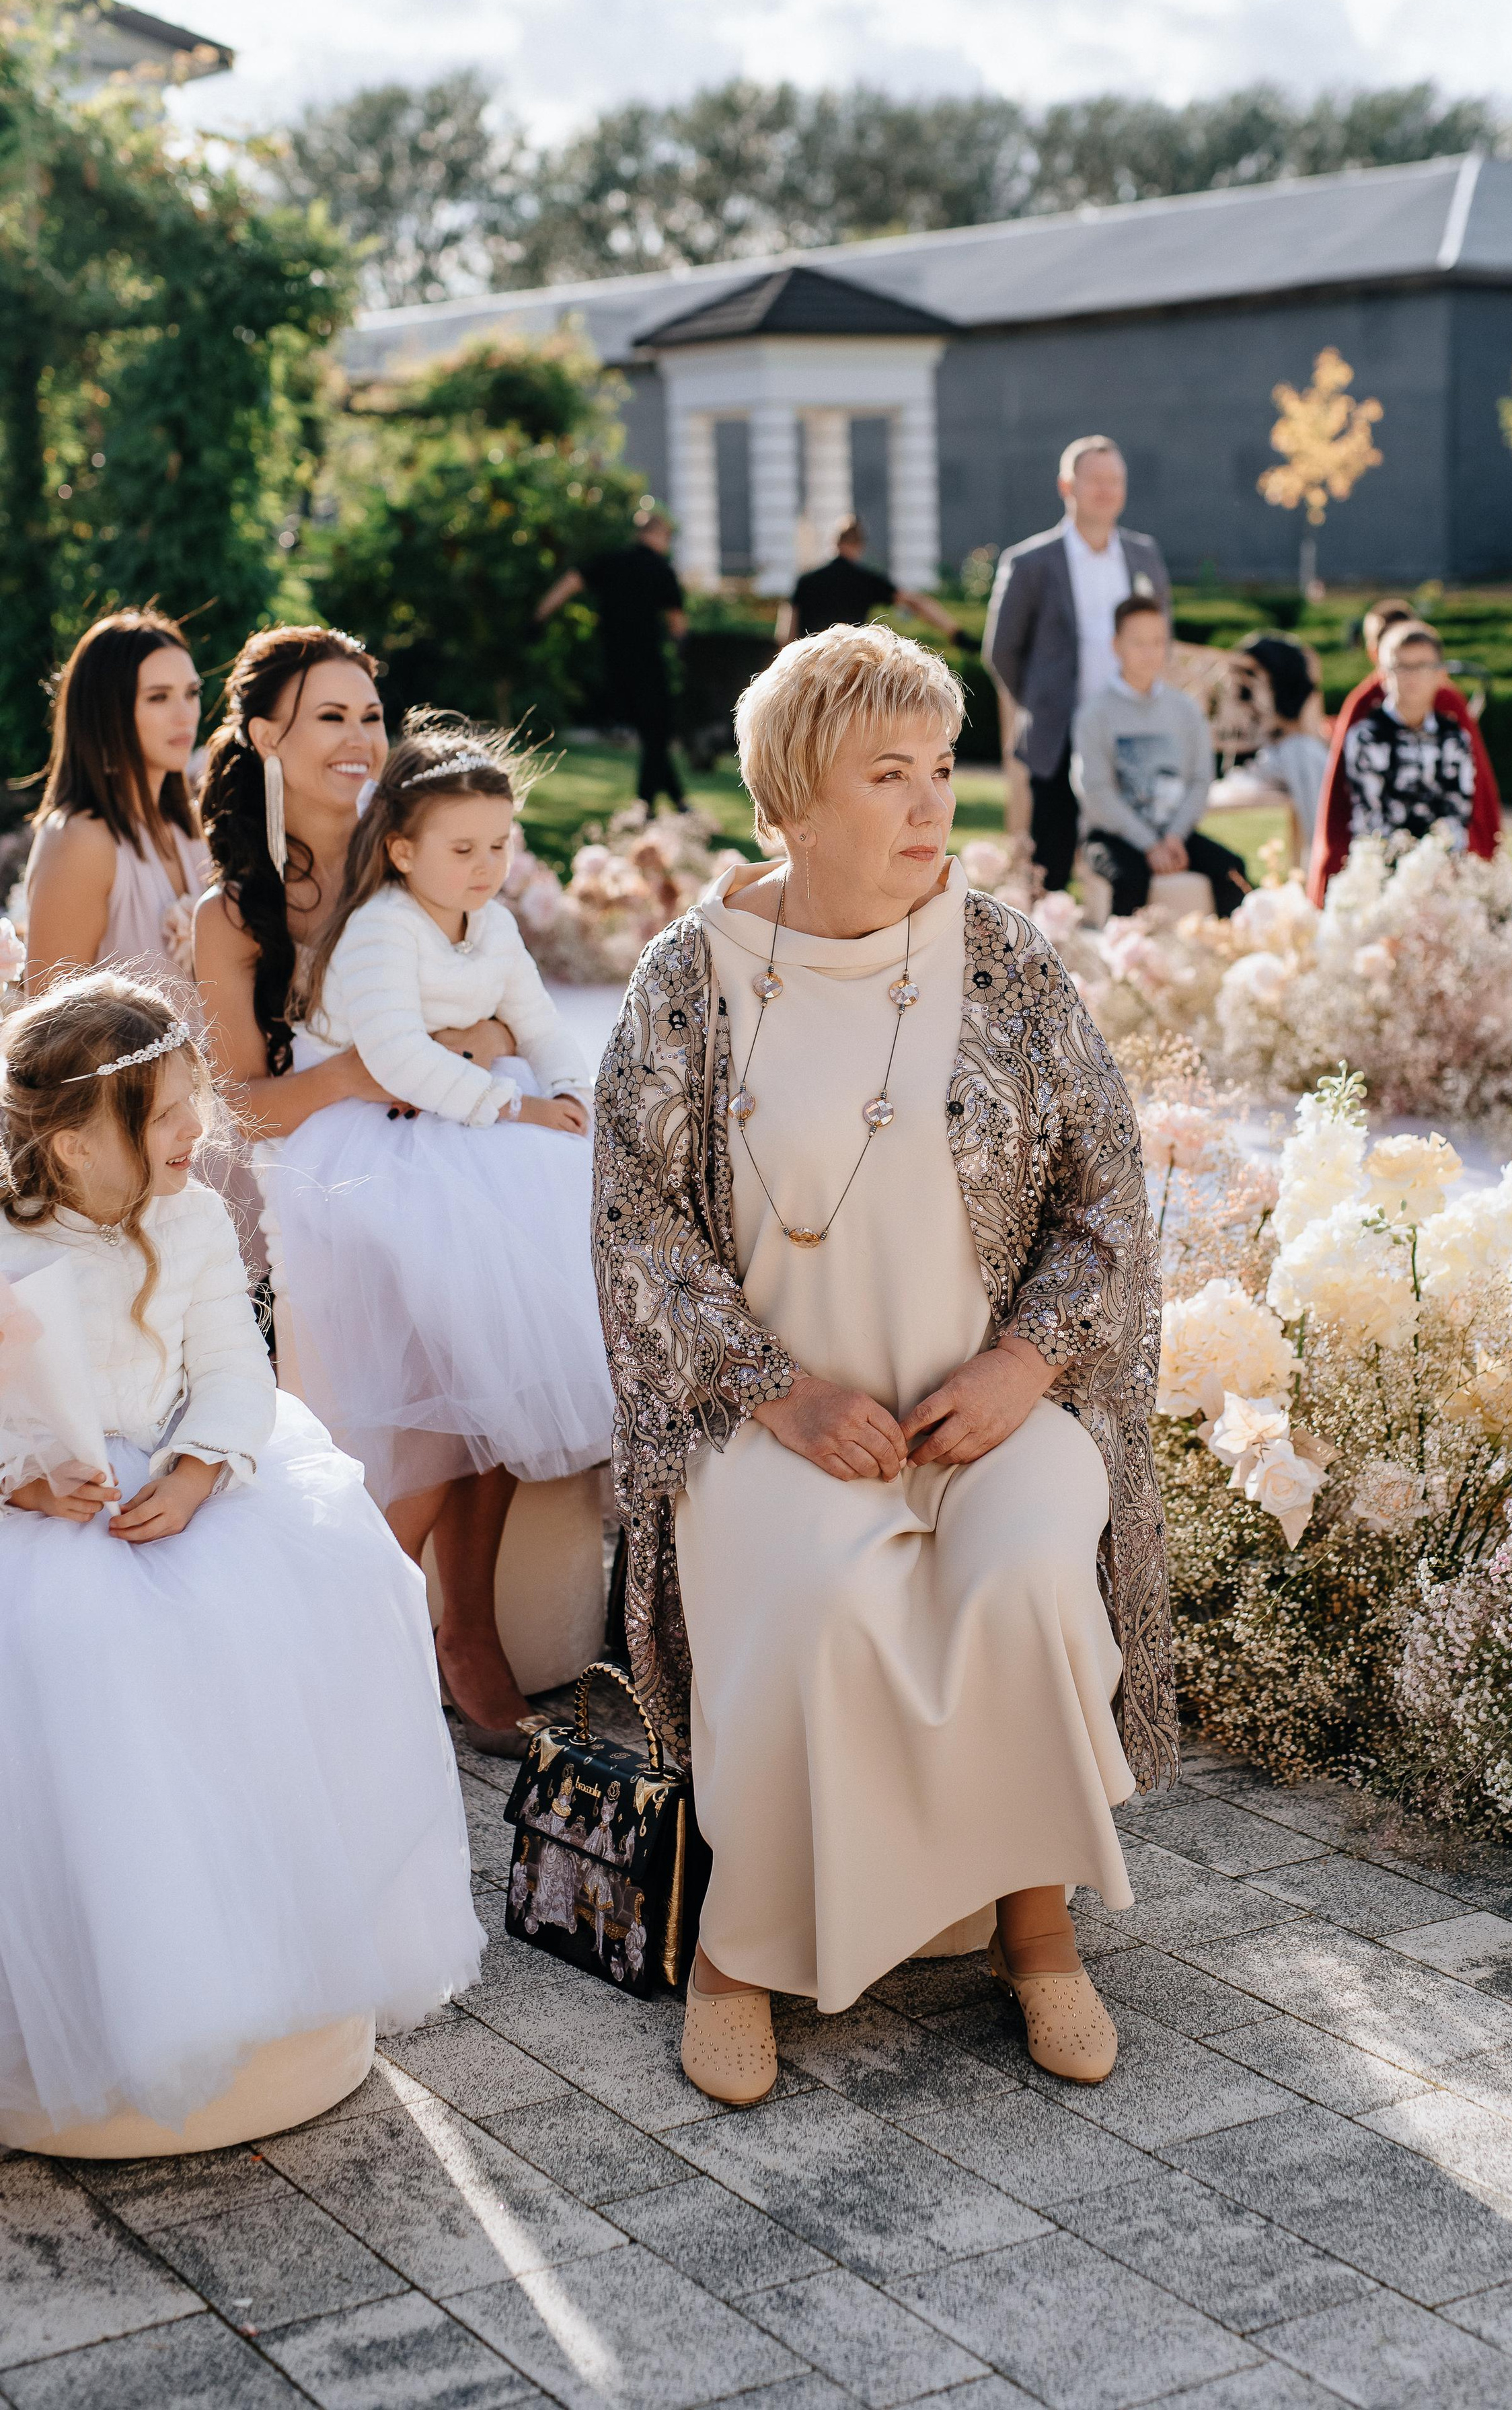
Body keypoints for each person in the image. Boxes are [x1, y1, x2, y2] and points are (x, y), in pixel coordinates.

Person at [592, 622, 1171, 2108]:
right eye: (889, 777)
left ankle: (1034, 1934)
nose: (933, 811)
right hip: (766, 1422)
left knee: (1024, 1580)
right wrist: (777, 1393)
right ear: (791, 798)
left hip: (981, 1404)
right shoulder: (687, 982)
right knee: (813, 1609)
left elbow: (1106, 1190)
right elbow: (637, 1224)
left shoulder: (999, 959)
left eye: (943, 772)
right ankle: (736, 1954)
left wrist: (1027, 1367)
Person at [0, 973, 482, 2140]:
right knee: (75, 1648)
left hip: (188, 1476)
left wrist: (202, 1465)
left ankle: (285, 1950)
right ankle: (134, 1984)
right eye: (161, 1113)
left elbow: (232, 1363)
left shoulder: (195, 1221)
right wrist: (27, 1473)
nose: (193, 1131)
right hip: (45, 1505)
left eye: (192, 1101)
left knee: (332, 1594)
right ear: (69, 1145)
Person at [194, 627, 544, 1753]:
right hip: (332, 1166)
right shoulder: (234, 909)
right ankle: (359, 1640)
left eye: (371, 717)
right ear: (264, 738)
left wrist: (484, 1034)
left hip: (461, 1133)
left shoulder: (425, 847)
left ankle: (470, 1625)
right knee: (398, 1411)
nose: (360, 740)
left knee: (501, 1344)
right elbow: (235, 1104)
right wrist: (360, 1069)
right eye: (329, 717)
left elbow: (500, 990)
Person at [984, 436, 1172, 893]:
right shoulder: (1030, 562)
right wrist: (1040, 701)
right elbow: (1001, 650)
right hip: (1058, 733)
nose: (1107, 490)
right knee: (1052, 860)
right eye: (1096, 480)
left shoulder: (1143, 555)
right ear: (1067, 485)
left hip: (1130, 731)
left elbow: (1161, 634)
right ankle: (1042, 957)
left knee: (1128, 859)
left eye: (1115, 481)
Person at [24, 609, 211, 1000]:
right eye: (159, 697)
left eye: (192, 693)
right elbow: (48, 1033)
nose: (185, 715)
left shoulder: (192, 831)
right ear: (107, 711)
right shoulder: (80, 841)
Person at [1074, 595, 1248, 917]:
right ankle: (1125, 962)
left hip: (1174, 833)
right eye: (1138, 643)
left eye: (1157, 642)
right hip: (1114, 836)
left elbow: (1200, 780)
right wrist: (1148, 844)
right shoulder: (1095, 713)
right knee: (1129, 879)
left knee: (1232, 869)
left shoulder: (1185, 710)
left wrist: (1174, 837)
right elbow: (1097, 791)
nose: (1149, 652)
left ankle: (1225, 953)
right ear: (1116, 646)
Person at [1307, 621, 1502, 905]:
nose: (1412, 677)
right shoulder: (1366, 737)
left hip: (1443, 871)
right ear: (1383, 675)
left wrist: (1438, 864)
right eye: (1401, 666)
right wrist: (1406, 874)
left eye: (1422, 666)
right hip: (1382, 872)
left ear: (1440, 674)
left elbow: (1458, 810)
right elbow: (1370, 818)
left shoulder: (1454, 737)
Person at [537, 504, 688, 811]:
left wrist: (538, 618)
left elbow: (569, 583)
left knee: (653, 736)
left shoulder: (611, 562)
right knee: (657, 733)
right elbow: (678, 625)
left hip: (613, 663)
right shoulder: (661, 569)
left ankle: (678, 801)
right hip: (648, 662)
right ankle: (645, 804)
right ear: (658, 536)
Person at [1230, 633, 1332, 859]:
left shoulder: (1301, 750)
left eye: (1255, 681)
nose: (1248, 697)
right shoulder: (1278, 750)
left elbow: (1319, 825)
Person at [777, 515, 956, 643]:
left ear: (835, 542)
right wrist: (955, 632)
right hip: (845, 663)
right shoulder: (868, 580)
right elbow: (915, 603)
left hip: (808, 663)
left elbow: (786, 634)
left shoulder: (806, 580)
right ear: (860, 545)